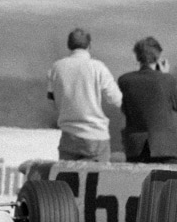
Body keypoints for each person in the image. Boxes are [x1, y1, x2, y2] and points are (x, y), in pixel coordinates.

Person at [47, 28, 122, 162]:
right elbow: (116, 99)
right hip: (96, 136)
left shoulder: (56, 68)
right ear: (89, 45)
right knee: (96, 180)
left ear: (69, 45)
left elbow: (52, 102)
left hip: (68, 136)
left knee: (67, 180)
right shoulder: (98, 67)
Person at [117, 36, 177, 164]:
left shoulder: (124, 81)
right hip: (166, 147)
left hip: (136, 148)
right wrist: (164, 74)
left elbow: (125, 109)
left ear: (137, 57)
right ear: (157, 57)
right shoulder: (166, 80)